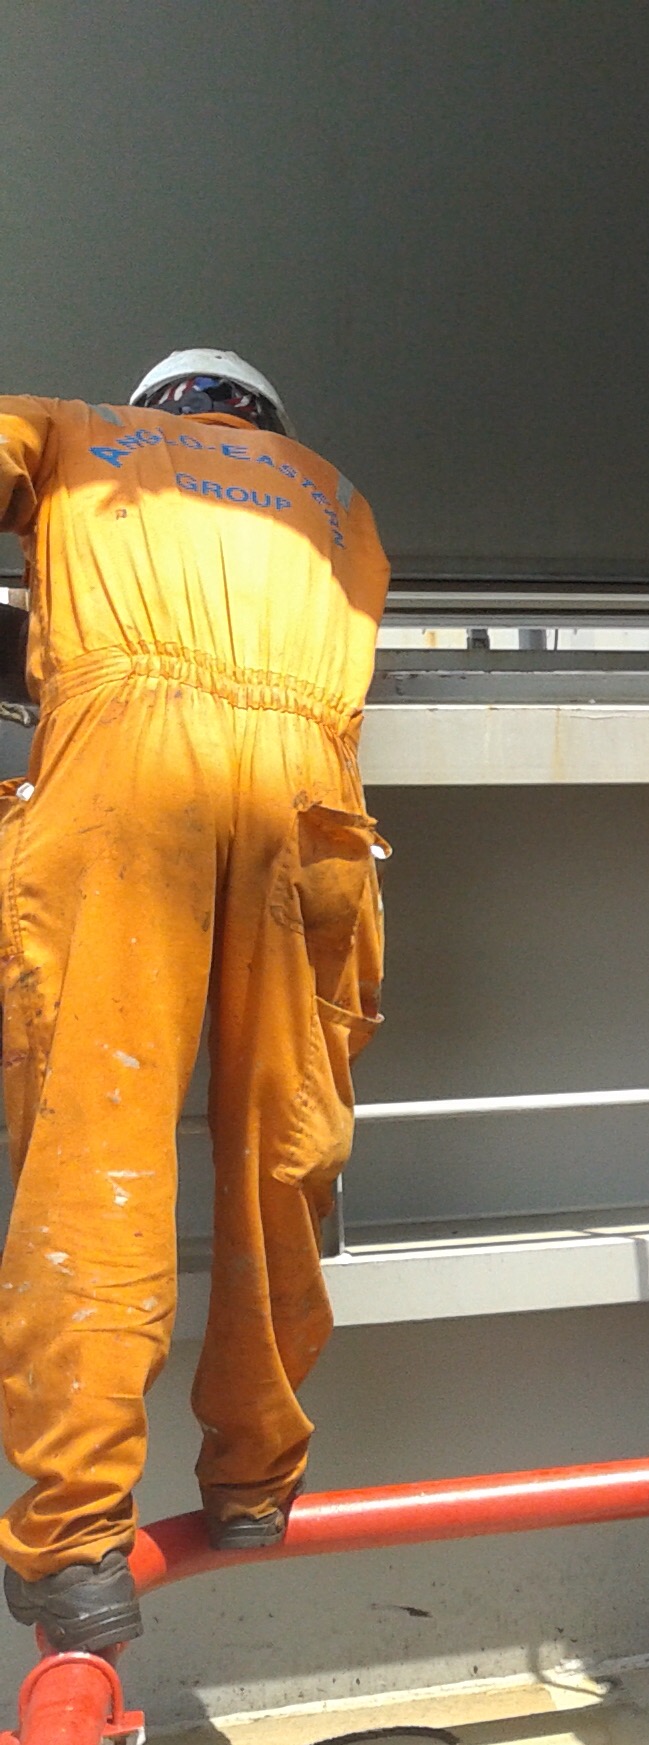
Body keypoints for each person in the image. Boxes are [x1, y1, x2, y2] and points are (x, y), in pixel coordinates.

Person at [0, 351, 391, 1651]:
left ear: (156, 405)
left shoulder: (79, 432)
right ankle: (253, 1480)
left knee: (97, 1151)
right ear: (262, 421)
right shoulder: (337, 501)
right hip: (306, 795)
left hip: (127, 769)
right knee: (284, 1144)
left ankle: (76, 1543)